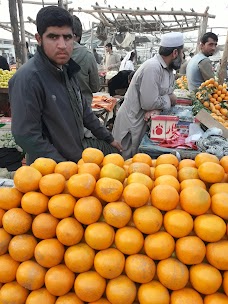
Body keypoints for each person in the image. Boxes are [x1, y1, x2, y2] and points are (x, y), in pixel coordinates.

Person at [8, 6, 121, 165]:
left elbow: (85, 112)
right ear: (39, 39)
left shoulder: (67, 70)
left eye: (67, 37)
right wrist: (62, 166)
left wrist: (108, 138)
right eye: (53, 37)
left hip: (74, 157)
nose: (62, 45)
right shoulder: (29, 78)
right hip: (50, 170)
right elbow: (26, 135)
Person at [112, 32, 184, 159]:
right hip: (132, 124)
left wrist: (159, 106)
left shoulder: (168, 70)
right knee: (124, 162)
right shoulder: (153, 68)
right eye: (182, 52)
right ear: (175, 53)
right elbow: (149, 103)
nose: (183, 56)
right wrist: (169, 99)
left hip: (142, 122)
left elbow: (163, 95)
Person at [71, 16, 100, 106]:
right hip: (83, 107)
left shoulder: (52, 55)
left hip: (60, 110)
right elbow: (95, 87)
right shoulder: (88, 55)